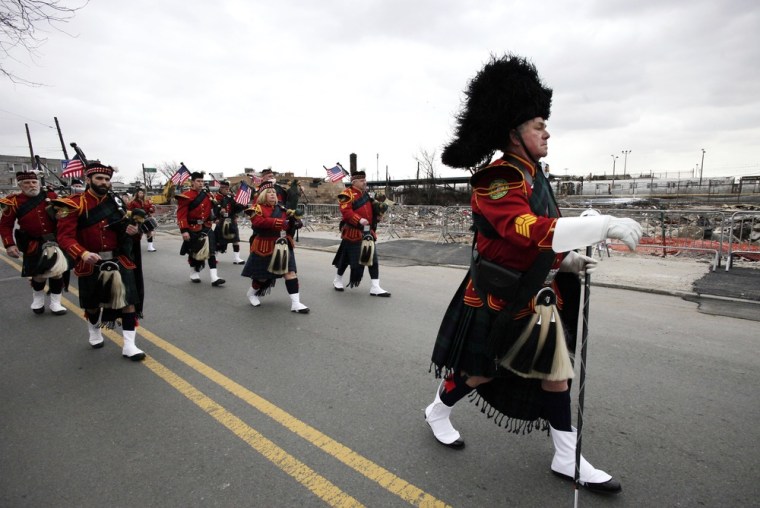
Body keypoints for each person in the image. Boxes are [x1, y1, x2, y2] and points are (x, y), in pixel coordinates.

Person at [424, 54, 642, 494]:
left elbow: (543, 242)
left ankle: (567, 458)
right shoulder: (497, 178)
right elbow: (526, 231)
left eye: (545, 124)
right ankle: (437, 410)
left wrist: (567, 262)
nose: (547, 132)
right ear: (514, 133)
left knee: (555, 373)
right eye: (538, 125)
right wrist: (600, 226)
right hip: (499, 296)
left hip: (538, 295)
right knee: (482, 372)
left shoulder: (534, 175)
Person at [55, 162, 146, 360]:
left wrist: (133, 231)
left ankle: (129, 345)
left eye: (106, 179)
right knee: (93, 305)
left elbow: (125, 232)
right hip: (90, 262)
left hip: (119, 259)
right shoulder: (73, 203)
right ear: (88, 179)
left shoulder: (117, 204)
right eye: (99, 178)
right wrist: (82, 253)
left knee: (128, 302)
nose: (104, 182)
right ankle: (95, 331)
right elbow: (64, 237)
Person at [0, 170, 68, 315]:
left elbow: (65, 215)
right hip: (33, 243)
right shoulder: (13, 201)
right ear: (20, 185)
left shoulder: (51, 196)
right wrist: (9, 244)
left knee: (57, 272)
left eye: (34, 182)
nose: (31, 185)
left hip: (54, 241)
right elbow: (5, 225)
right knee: (38, 274)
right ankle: (38, 299)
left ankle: (56, 303)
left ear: (38, 182)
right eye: (27, 183)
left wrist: (62, 214)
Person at [240, 182, 309, 313]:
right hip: (264, 246)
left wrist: (296, 222)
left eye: (274, 193)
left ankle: (296, 303)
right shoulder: (256, 209)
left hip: (282, 245)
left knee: (290, 273)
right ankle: (251, 294)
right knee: (262, 277)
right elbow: (259, 223)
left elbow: (290, 225)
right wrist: (282, 222)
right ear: (263, 195)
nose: (273, 194)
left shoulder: (283, 210)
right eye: (269, 192)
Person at [331, 170, 390, 297]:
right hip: (352, 232)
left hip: (368, 232)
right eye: (362, 181)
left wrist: (377, 217)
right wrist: (359, 220)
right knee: (346, 259)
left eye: (365, 180)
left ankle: (375, 287)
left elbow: (371, 210)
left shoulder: (366, 195)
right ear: (354, 182)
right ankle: (338, 279)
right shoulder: (346, 194)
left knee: (372, 259)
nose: (365, 182)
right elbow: (346, 212)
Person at [176, 171, 225, 286]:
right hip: (193, 228)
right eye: (198, 181)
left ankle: (214, 277)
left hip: (206, 227)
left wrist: (218, 212)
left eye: (202, 181)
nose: (201, 183)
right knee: (194, 252)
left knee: (211, 251)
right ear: (192, 182)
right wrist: (184, 230)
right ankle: (193, 272)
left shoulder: (208, 195)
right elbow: (181, 215)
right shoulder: (186, 196)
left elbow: (213, 209)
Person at [214, 180, 246, 264]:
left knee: (235, 240)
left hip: (231, 220)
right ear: (220, 188)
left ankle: (237, 258)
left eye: (227, 188)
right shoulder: (216, 197)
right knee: (218, 240)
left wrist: (241, 204)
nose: (226, 190)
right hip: (221, 221)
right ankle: (214, 257)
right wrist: (217, 216)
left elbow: (235, 208)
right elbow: (212, 210)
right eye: (224, 188)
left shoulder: (230, 197)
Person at [128, 187, 157, 251]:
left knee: (149, 231)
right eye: (140, 193)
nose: (141, 194)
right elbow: (129, 211)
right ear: (137, 194)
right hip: (137, 219)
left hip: (146, 218)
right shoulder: (133, 202)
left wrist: (151, 209)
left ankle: (150, 246)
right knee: (138, 234)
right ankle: (134, 247)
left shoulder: (146, 201)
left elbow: (150, 209)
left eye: (142, 193)